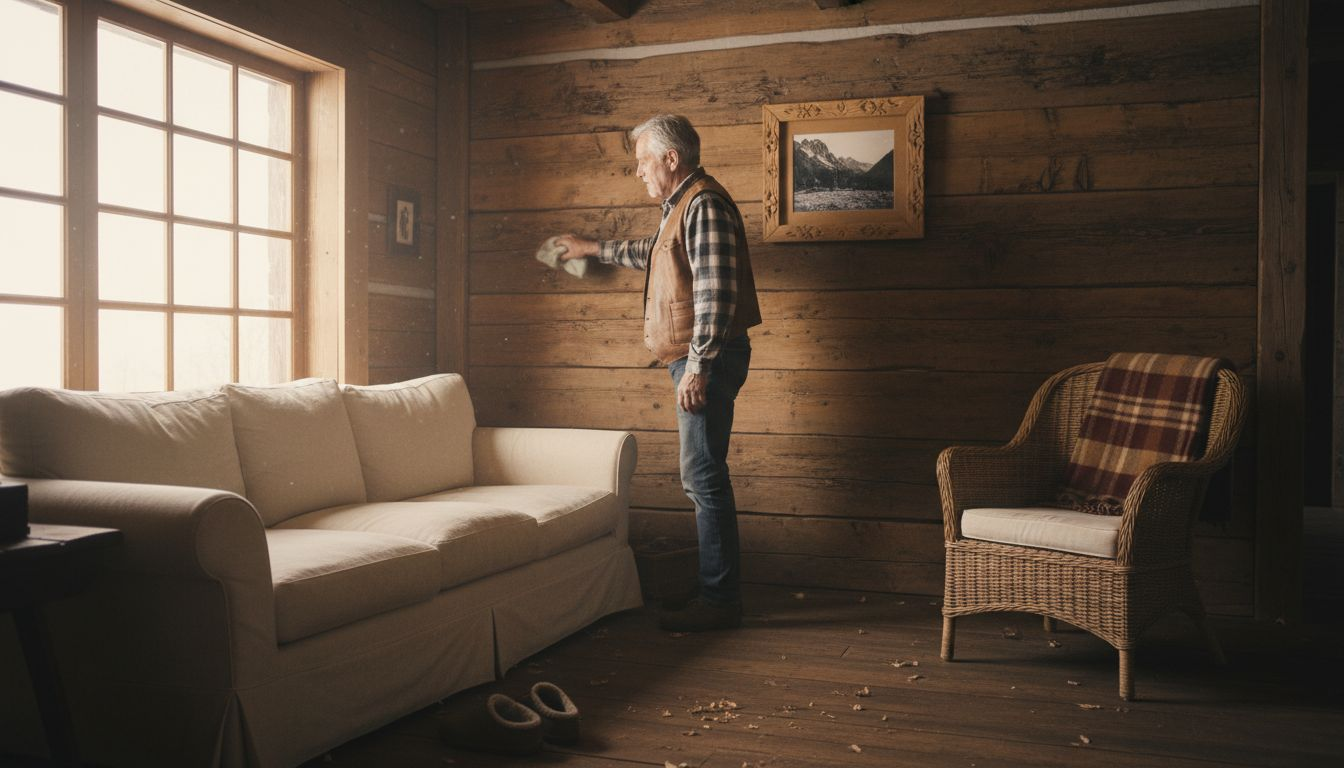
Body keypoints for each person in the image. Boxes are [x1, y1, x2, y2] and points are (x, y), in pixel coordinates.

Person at [555, 114, 762, 632]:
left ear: (672, 159)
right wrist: (592, 249)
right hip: (698, 359)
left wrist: (697, 366)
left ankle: (719, 602)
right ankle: (718, 590)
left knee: (703, 477)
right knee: (702, 476)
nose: (639, 172)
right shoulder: (683, 208)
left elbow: (715, 292)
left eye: (643, 161)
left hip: (703, 360)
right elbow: (657, 254)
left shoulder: (704, 204)